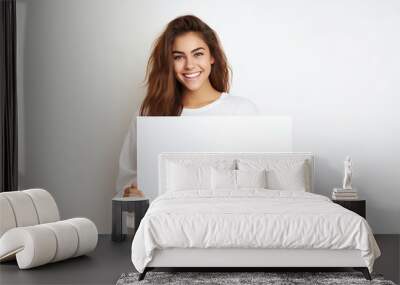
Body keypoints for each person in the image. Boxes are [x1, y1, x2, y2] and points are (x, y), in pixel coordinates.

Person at [116, 14, 259, 197]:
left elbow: (257, 181)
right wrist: (132, 194)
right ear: (169, 62)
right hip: (165, 221)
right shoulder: (149, 113)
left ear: (212, 57)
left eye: (198, 54)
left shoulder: (242, 111)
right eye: (178, 57)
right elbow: (125, 182)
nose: (189, 65)